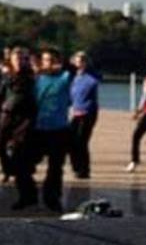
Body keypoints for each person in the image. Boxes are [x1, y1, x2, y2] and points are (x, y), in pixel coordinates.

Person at [28, 48, 72, 212]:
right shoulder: (37, 78)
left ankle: (52, 197)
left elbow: (84, 69)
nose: (50, 63)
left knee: (55, 166)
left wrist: (65, 66)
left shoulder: (65, 77)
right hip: (38, 128)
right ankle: (30, 192)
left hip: (59, 128)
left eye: (53, 60)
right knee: (27, 163)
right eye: (47, 60)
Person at [0, 46, 37, 206]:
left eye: (22, 58)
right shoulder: (7, 75)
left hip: (25, 117)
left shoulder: (31, 75)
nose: (19, 61)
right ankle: (9, 170)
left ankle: (27, 196)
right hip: (7, 115)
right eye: (16, 58)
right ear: (11, 60)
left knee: (20, 156)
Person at [68, 51, 99, 179]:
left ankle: (84, 170)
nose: (80, 63)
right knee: (70, 141)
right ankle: (76, 167)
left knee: (81, 141)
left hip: (88, 113)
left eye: (82, 60)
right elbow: (71, 97)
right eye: (78, 60)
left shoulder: (91, 77)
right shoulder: (74, 78)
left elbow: (97, 80)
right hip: (76, 113)